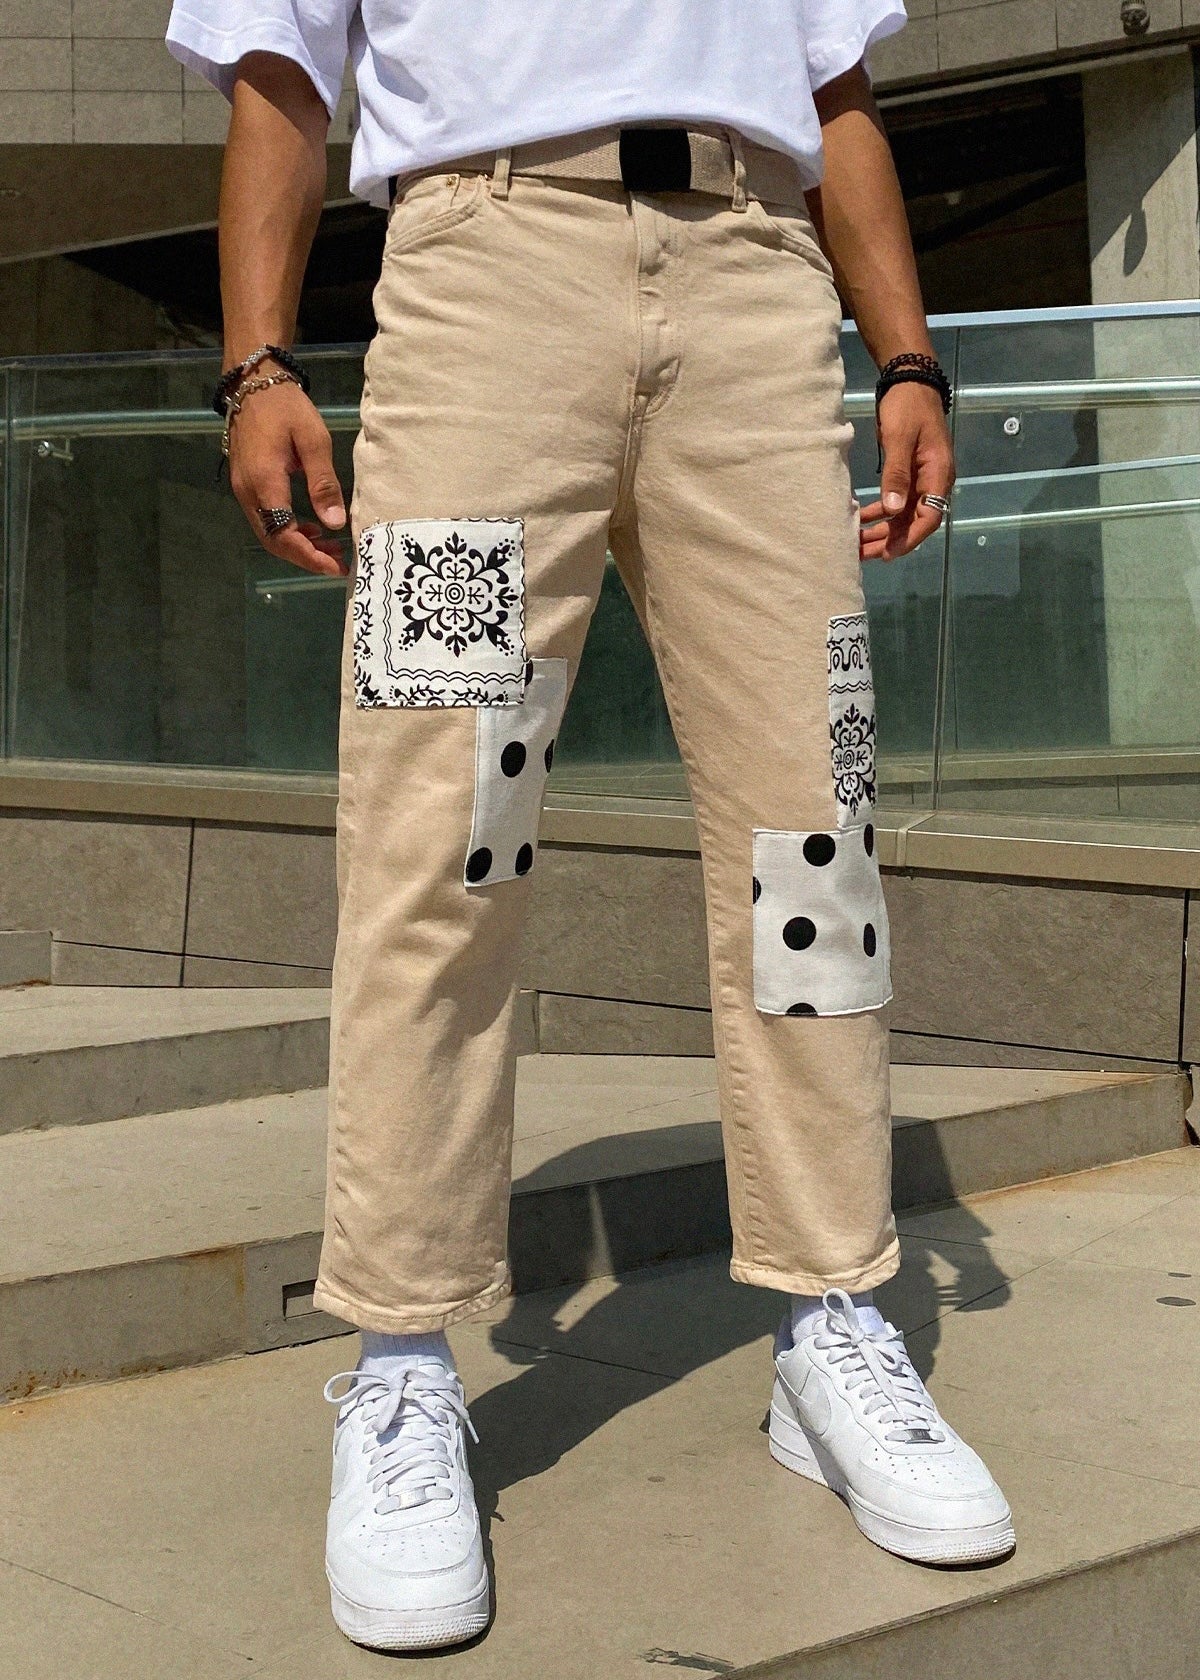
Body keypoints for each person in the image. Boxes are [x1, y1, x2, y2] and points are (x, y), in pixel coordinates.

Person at [166, 0, 1014, 1651]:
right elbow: (278, 71)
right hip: (482, 283)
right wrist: (256, 362)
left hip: (757, 280)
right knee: (439, 834)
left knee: (816, 835)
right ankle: (403, 1357)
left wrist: (906, 351)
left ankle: (836, 1310)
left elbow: (835, 84)